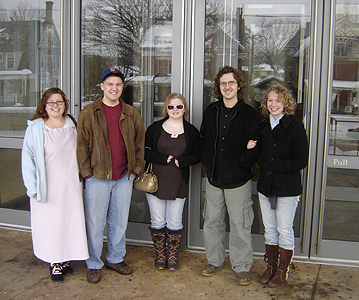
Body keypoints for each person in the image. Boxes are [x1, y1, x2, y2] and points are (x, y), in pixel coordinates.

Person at [77, 68, 145, 284]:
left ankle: (115, 258)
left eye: (118, 84)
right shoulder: (89, 112)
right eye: (110, 84)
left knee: (119, 222)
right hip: (97, 177)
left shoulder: (131, 113)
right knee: (95, 224)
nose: (114, 88)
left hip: (124, 177)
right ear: (102, 87)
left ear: (122, 88)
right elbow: (81, 146)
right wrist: (87, 174)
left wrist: (135, 170)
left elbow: (139, 144)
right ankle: (94, 263)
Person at [200, 66, 261, 286]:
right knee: (212, 222)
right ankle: (214, 261)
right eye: (223, 83)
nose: (227, 87)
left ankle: (242, 266)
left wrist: (242, 162)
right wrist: (208, 163)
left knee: (240, 225)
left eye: (231, 83)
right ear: (219, 87)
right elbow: (204, 138)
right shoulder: (211, 111)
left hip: (238, 181)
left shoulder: (250, 115)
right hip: (214, 179)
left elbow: (256, 147)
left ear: (239, 85)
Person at [21, 87, 88, 283]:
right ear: (44, 105)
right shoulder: (36, 127)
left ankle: (66, 259)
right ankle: (54, 262)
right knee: (51, 225)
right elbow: (28, 160)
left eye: (59, 102)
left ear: (65, 104)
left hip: (71, 185)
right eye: (51, 102)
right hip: (47, 186)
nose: (55, 106)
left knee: (69, 222)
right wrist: (32, 188)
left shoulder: (73, 123)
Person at [247, 85, 308, 288]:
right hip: (266, 186)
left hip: (287, 188)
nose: (274, 104)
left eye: (278, 101)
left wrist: (275, 167)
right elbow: (258, 154)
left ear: (286, 104)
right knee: (270, 229)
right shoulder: (264, 125)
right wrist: (249, 148)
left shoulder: (296, 127)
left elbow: (301, 160)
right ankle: (271, 266)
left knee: (284, 229)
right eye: (270, 100)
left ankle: (283, 269)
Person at [145, 93, 201, 271]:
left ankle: (173, 255)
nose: (175, 110)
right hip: (156, 181)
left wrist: (184, 161)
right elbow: (144, 151)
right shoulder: (154, 128)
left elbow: (199, 155)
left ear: (185, 108)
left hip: (179, 181)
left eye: (179, 106)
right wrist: (161, 157)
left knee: (175, 221)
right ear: (166, 109)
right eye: (171, 106)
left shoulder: (191, 131)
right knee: (158, 220)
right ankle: (161, 255)